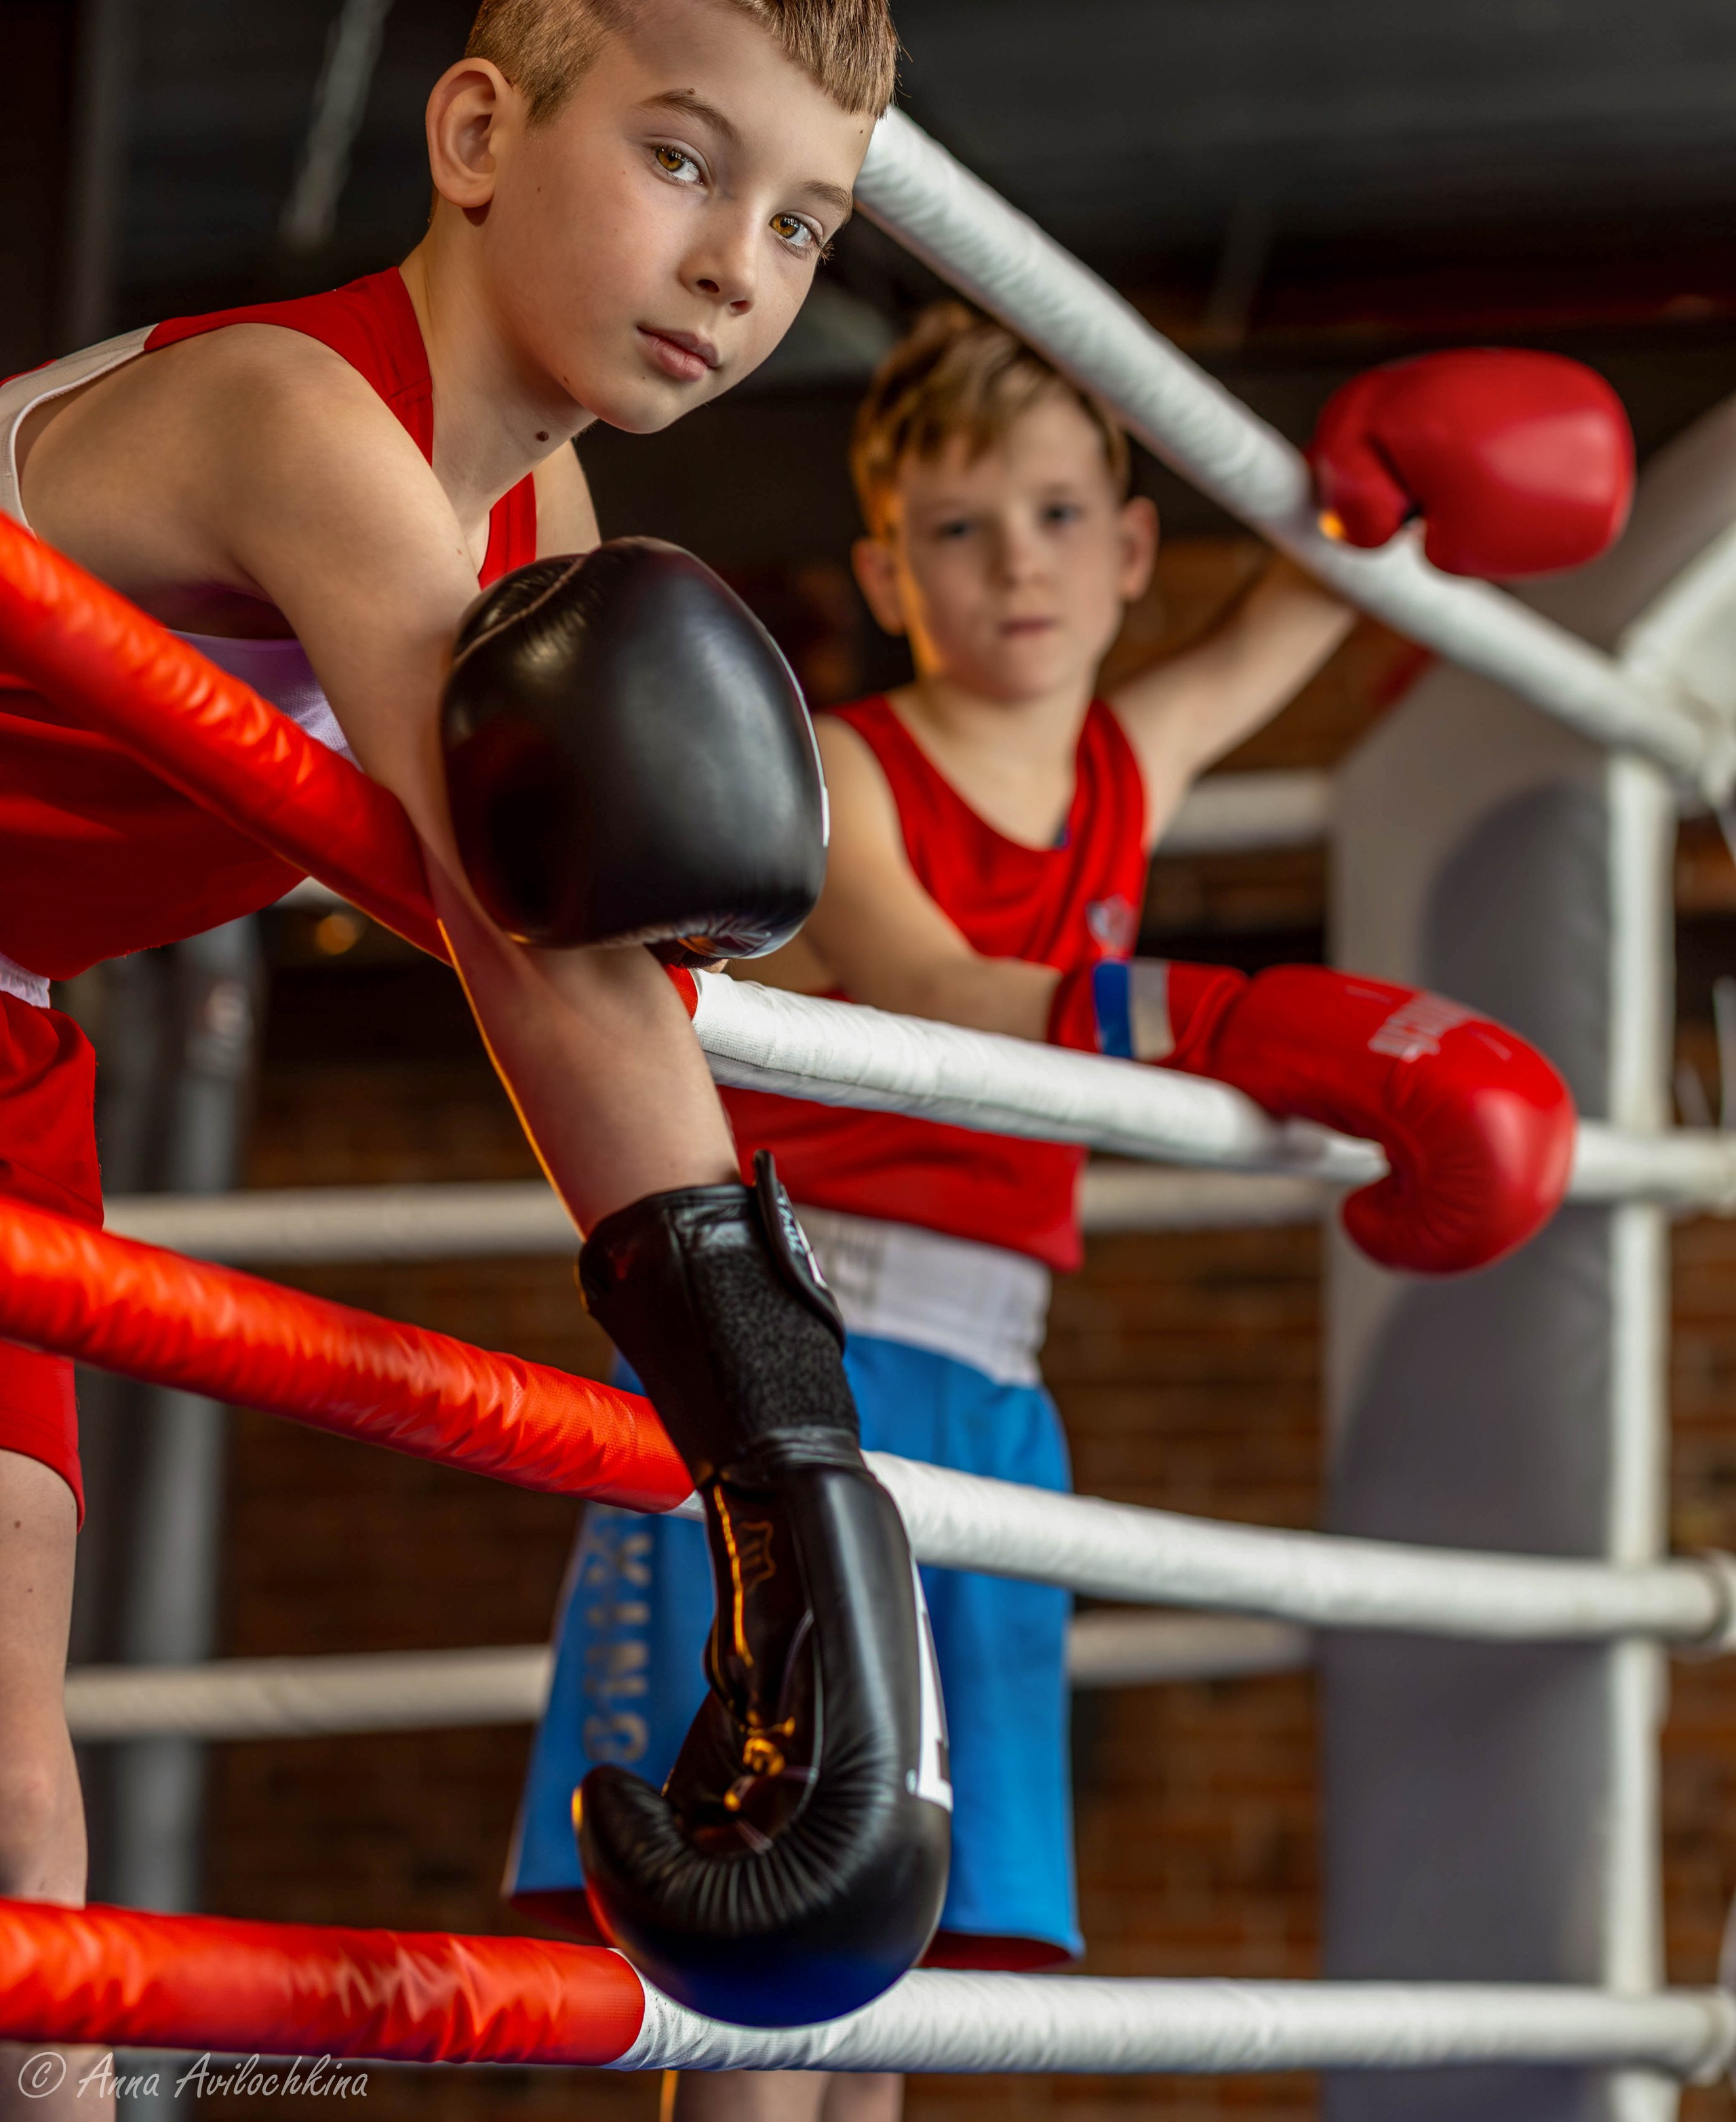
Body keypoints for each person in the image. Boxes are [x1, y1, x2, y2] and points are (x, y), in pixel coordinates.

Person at [0, 0, 911, 2107]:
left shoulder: (552, 532)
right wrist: (800, 1492)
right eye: (683, 158)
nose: (735, 264)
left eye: (802, 224)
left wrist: (791, 1480)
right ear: (482, 137)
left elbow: (568, 965)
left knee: (17, 1819)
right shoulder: (303, 421)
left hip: (10, 1026)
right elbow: (539, 949)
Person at [511, 300, 1594, 2119]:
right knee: (773, 1945)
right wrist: (1209, 1016)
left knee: (901, 1964)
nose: (1016, 562)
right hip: (797, 1376)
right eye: (958, 526)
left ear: (1130, 549)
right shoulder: (844, 767)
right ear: (887, 565)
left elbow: (1290, 620)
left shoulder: (1121, 764)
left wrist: (1384, 483)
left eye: (1058, 515)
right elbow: (934, 988)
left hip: (996, 1393)